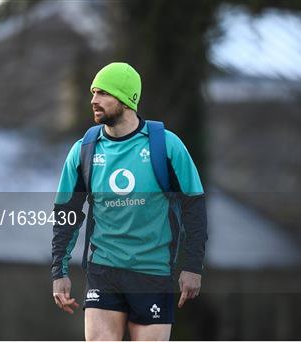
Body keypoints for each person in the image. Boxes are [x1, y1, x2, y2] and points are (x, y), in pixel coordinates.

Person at [51, 62, 207, 341]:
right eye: (93, 93)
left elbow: (194, 207)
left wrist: (193, 266)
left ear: (126, 100)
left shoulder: (167, 146)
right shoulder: (84, 150)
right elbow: (66, 214)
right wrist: (58, 272)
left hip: (153, 272)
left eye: (102, 94)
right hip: (103, 271)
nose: (93, 101)